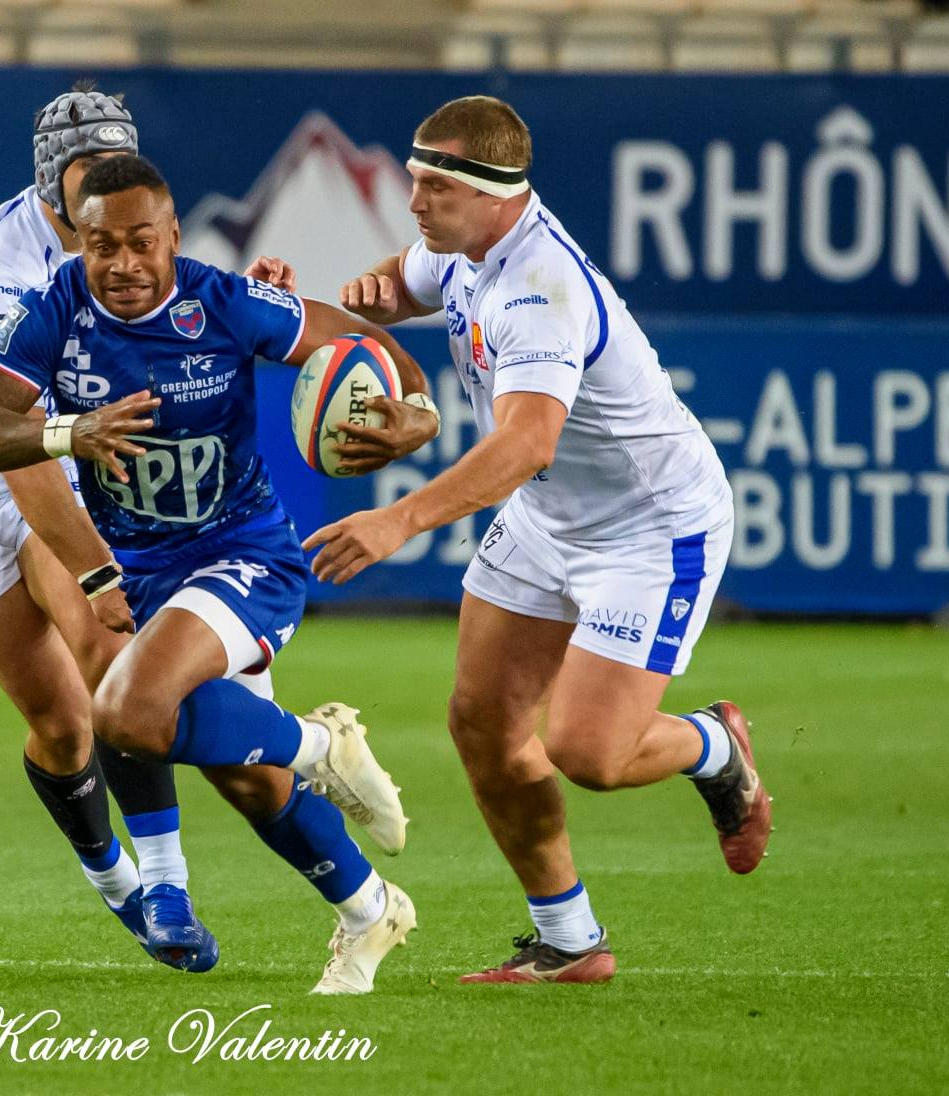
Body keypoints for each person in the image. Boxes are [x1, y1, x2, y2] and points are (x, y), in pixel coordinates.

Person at [292, 95, 772, 984]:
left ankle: (711, 744)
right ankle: (568, 942)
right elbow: (406, 282)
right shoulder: (466, 245)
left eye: (433, 185)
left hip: (649, 530)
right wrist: (363, 299)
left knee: (586, 753)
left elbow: (525, 443)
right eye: (412, 178)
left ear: (493, 193)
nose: (413, 202)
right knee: (482, 724)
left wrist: (398, 517)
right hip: (548, 519)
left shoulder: (539, 290)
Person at [0, 153, 444, 995]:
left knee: (127, 710)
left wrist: (419, 416)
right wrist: (69, 432)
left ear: (174, 236)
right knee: (250, 779)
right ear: (78, 242)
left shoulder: (223, 301)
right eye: (103, 246)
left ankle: (322, 746)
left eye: (143, 242)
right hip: (139, 569)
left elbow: (368, 347)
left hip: (242, 556)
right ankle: (369, 909)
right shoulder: (53, 311)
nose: (124, 265)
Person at [0, 85, 218, 971]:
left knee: (110, 657)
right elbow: (9, 444)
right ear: (48, 181)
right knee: (62, 727)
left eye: (114, 165)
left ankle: (168, 886)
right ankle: (114, 883)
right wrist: (104, 573)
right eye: (83, 171)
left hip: (68, 458)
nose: (101, 183)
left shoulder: (128, 246)